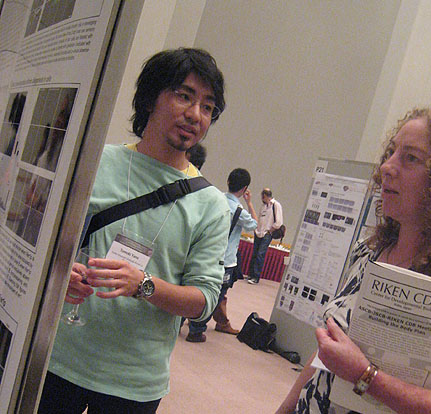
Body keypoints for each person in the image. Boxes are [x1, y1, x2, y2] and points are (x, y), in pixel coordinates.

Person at [277, 107, 431, 414]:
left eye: (410, 158)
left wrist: (366, 376)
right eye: (391, 152)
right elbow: (329, 353)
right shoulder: (369, 253)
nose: (387, 167)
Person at [38, 47, 229, 413]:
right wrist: (62, 273)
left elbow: (204, 300)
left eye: (207, 107)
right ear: (150, 98)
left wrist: (144, 285)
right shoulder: (95, 162)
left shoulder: (210, 204)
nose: (195, 115)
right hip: (59, 356)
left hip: (134, 383)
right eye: (184, 96)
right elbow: (44, 242)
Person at [186, 168, 258, 342]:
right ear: (244, 188)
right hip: (225, 261)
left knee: (194, 284)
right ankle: (196, 329)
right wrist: (250, 203)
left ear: (228, 181)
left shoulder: (215, 199)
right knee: (215, 294)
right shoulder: (240, 211)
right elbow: (254, 225)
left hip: (205, 252)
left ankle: (187, 318)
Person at [247, 188, 283, 284]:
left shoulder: (276, 205)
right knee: (255, 254)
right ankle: (251, 274)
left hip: (267, 233)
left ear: (265, 196)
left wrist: (270, 231)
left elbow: (279, 222)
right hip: (258, 232)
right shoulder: (263, 206)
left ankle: (256, 277)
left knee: (260, 254)